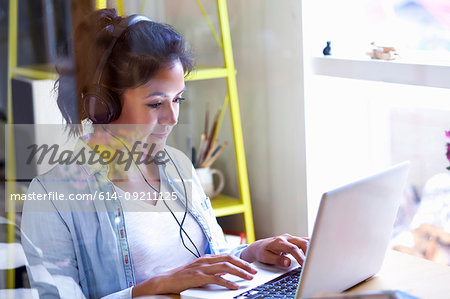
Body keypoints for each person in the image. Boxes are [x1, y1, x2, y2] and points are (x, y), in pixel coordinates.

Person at [21, 9, 309, 298]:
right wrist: (156, 286)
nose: (173, 118)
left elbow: (209, 260)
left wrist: (251, 253)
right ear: (103, 105)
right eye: (156, 104)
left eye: (178, 99)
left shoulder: (177, 165)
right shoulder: (51, 197)